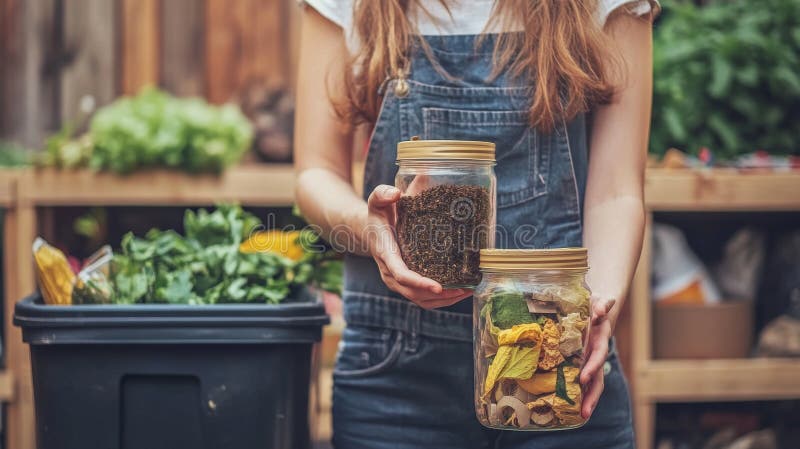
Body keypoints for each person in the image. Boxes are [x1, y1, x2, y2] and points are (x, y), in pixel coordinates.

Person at [294, 1, 657, 448]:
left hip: (557, 354)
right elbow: (316, 172)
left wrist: (595, 309)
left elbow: (617, 192)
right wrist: (369, 229)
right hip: (395, 369)